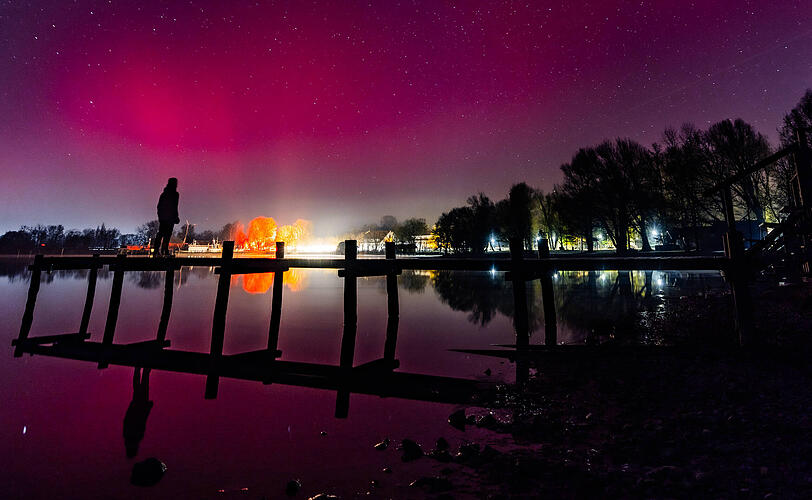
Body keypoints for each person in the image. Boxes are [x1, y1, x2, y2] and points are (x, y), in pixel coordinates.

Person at [153, 178, 179, 257]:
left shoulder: (164, 194)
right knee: (166, 234)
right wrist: (176, 216)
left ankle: (157, 250)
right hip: (169, 217)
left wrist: (160, 216)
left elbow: (159, 206)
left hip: (164, 217)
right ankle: (164, 250)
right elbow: (175, 207)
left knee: (162, 233)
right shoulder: (175, 194)